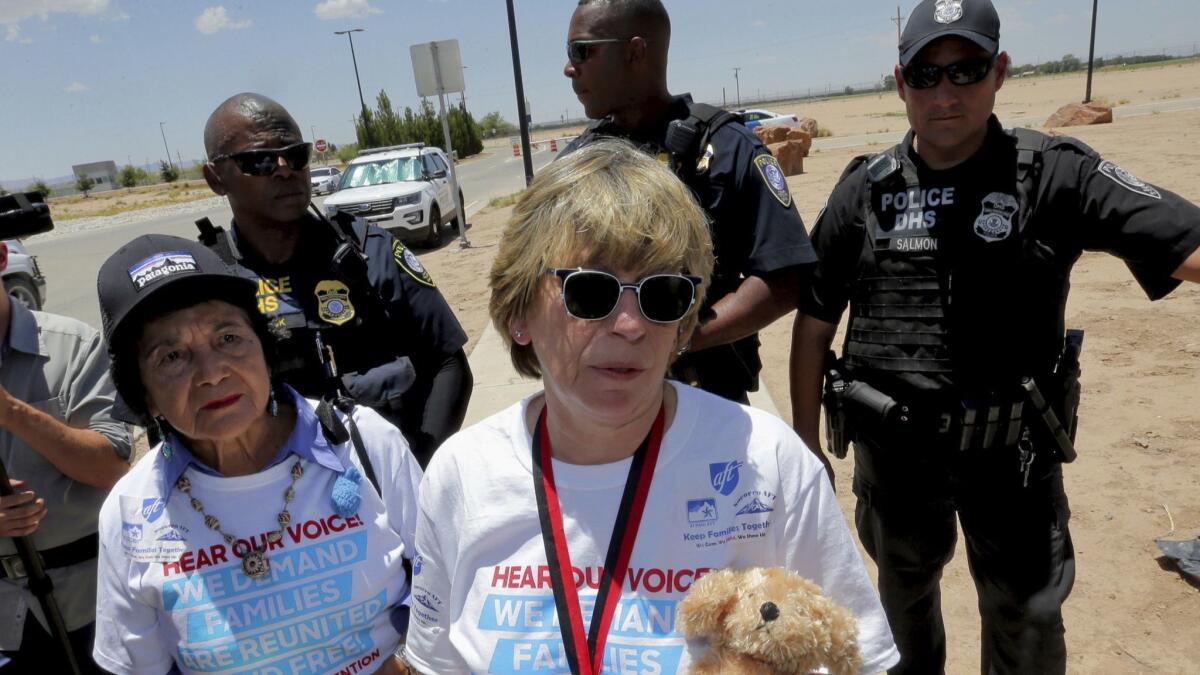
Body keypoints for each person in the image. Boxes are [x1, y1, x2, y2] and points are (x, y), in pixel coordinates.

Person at [789, 1, 1200, 672]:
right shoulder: (863, 190)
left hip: (1016, 458)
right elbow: (813, 321)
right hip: (895, 457)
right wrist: (807, 441)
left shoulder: (1054, 174)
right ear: (900, 84)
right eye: (926, 75)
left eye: (967, 70)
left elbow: (1184, 238)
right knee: (902, 612)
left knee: (1026, 623)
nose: (945, 93)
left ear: (999, 71)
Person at [402, 139, 899, 674]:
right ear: (519, 310)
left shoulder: (770, 464)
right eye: (591, 292)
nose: (631, 325)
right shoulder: (461, 477)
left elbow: (858, 658)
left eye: (662, 295)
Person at [91, 235, 422, 675]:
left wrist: (405, 665)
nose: (211, 373)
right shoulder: (131, 510)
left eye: (228, 337)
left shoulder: (364, 444)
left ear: (266, 350)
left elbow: (447, 589)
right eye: (172, 356)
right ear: (144, 396)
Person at [560, 0, 815, 404]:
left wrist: (675, 340)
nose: (569, 67)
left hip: (709, 399)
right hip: (603, 403)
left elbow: (784, 278)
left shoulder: (728, 149)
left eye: (581, 51)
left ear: (635, 52)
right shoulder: (577, 164)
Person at [200, 92, 471, 467]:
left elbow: (448, 363)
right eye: (259, 160)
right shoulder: (208, 282)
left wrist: (415, 470)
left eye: (296, 155)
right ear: (215, 178)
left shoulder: (369, 251)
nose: (284, 169)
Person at [0, 240, 131, 673]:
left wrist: (14, 413)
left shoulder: (72, 345)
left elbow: (111, 467)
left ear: (1, 257)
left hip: (91, 603)